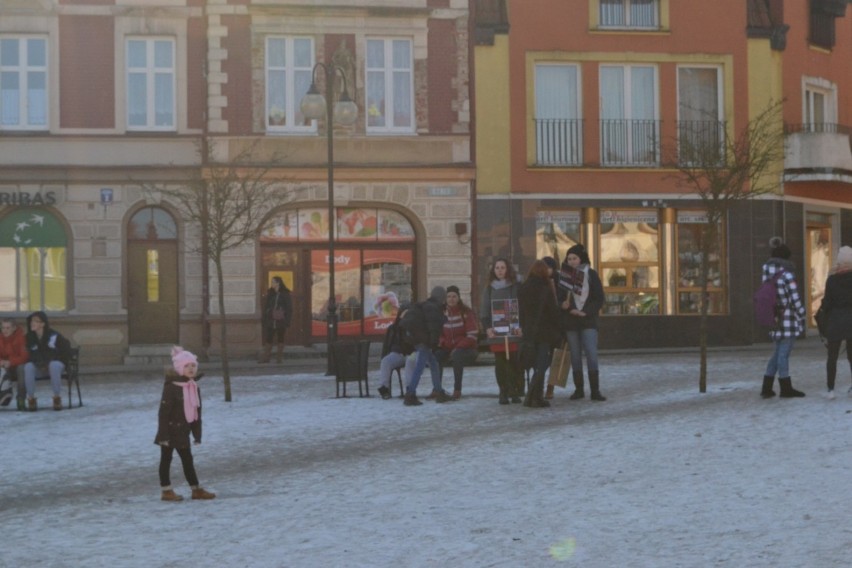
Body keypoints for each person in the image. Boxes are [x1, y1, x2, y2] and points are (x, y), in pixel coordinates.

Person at [154, 346, 216, 502]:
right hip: (169, 430)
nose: (191, 369)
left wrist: (197, 434)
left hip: (183, 432)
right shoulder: (171, 387)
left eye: (193, 365)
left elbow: (196, 413)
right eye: (187, 366)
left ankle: (196, 490)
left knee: (188, 460)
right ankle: (166, 490)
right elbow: (163, 413)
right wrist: (163, 435)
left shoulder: (193, 387)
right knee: (166, 459)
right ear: (180, 368)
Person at [555, 244, 606, 401]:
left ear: (581, 259)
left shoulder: (590, 274)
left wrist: (586, 312)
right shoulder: (564, 276)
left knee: (591, 354)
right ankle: (579, 390)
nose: (571, 261)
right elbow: (559, 297)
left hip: (588, 320)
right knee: (575, 356)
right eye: (569, 258)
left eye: (574, 258)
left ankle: (595, 390)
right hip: (571, 321)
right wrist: (567, 306)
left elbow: (599, 298)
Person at [760, 238, 806, 398]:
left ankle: (766, 387)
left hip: (773, 317)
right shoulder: (787, 276)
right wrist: (802, 314)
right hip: (788, 319)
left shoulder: (767, 275)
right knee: (783, 354)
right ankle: (786, 388)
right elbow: (795, 299)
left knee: (776, 353)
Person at [518, 259, 561, 408]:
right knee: (542, 364)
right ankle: (533, 396)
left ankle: (534, 397)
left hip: (529, 332)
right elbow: (552, 311)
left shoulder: (523, 288)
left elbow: (521, 312)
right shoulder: (545, 287)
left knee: (535, 363)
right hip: (544, 332)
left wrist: (523, 327)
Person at [480, 258, 524, 404]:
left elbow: (520, 307)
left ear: (507, 269)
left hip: (512, 330)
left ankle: (514, 390)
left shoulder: (515, 286)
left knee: (513, 360)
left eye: (502, 267)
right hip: (496, 331)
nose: (499, 270)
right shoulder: (489, 288)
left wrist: (519, 326)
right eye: (497, 268)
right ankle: (503, 391)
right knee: (500, 362)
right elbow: (485, 310)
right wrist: (488, 328)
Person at [403, 286, 453, 406]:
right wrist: (433, 344)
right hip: (423, 340)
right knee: (419, 367)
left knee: (434, 364)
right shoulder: (434, 308)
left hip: (416, 338)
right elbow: (434, 328)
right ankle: (410, 394)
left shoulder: (426, 305)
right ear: (442, 298)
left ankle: (439, 391)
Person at [818, 245, 852, 399]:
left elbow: (827, 303)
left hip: (836, 320)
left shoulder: (832, 280)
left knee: (832, 356)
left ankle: (830, 389)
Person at [436, 285, 479, 399]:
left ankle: (457, 389)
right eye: (449, 296)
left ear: (458, 298)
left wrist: (458, 347)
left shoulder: (466, 313)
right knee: (437, 356)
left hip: (467, 349)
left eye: (454, 296)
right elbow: (439, 333)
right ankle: (437, 389)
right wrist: (442, 342)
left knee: (457, 356)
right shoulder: (442, 313)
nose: (451, 299)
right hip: (448, 347)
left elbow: (472, 335)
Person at [22, 311, 71, 411]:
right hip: (39, 366)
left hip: (55, 365)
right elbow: (29, 355)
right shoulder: (29, 338)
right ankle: (31, 399)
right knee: (28, 367)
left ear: (43, 324)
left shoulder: (53, 336)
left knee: (54, 365)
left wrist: (57, 360)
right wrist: (38, 363)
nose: (32, 323)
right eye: (32, 321)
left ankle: (57, 398)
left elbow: (66, 349)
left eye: (36, 321)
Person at [377, 305, 414, 400]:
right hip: (399, 353)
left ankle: (410, 389)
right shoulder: (394, 328)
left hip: (412, 353)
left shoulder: (416, 326)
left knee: (410, 361)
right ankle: (384, 388)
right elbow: (388, 344)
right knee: (386, 361)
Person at [260, 276, 293, 363]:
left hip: (281, 320)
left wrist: (287, 320)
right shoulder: (271, 293)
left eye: (274, 282)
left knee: (280, 338)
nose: (272, 284)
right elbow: (266, 305)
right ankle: (266, 358)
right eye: (272, 282)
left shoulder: (285, 294)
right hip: (271, 320)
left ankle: (279, 358)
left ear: (278, 283)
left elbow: (289, 308)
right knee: (269, 338)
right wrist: (266, 314)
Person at [0, 318, 28, 410]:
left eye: (8, 328)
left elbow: (24, 357)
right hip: (5, 368)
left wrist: (10, 362)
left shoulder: (21, 338)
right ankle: (4, 395)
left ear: (14, 328)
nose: (5, 330)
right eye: (3, 328)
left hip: (17, 367)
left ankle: (21, 398)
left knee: (21, 369)